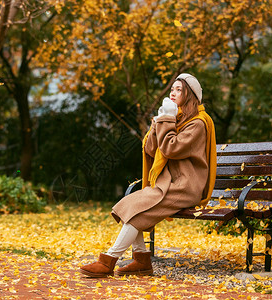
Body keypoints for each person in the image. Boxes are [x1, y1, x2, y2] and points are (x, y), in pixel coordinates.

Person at [79, 73, 217, 278]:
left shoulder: (198, 123)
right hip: (167, 183)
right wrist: (159, 121)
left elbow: (171, 148)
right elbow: (151, 149)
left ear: (190, 95)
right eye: (173, 89)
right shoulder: (174, 118)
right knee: (132, 204)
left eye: (179, 90)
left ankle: (108, 261)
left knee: (137, 214)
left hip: (185, 187)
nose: (173, 92)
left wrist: (167, 120)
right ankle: (141, 261)